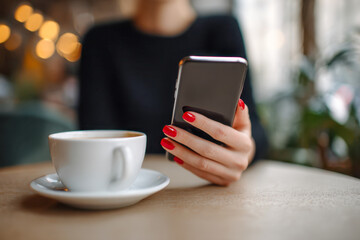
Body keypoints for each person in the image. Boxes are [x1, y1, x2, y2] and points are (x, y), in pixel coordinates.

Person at [79, 0, 268, 186]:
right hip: (126, 189)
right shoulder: (100, 41)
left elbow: (255, 130)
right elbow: (93, 136)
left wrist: (244, 150)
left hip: (203, 192)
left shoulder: (223, 29)